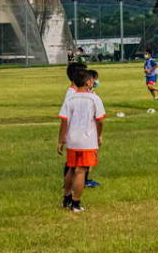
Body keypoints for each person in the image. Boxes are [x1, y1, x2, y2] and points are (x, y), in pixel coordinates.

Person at [58, 68, 105, 211]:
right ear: (87, 82)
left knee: (71, 168)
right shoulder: (94, 98)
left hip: (72, 139)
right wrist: (99, 135)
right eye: (92, 80)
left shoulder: (70, 98)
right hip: (87, 140)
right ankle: (76, 204)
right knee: (81, 171)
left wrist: (60, 140)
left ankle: (66, 198)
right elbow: (100, 120)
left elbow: (64, 121)